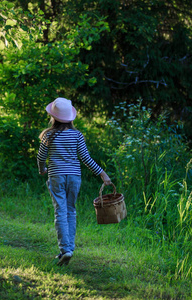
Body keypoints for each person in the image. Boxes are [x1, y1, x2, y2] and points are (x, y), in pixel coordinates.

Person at [37, 97, 112, 266]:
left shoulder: (48, 135)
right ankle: (69, 248)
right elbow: (85, 158)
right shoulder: (77, 135)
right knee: (71, 210)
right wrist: (102, 174)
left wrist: (42, 169)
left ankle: (66, 250)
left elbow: (41, 157)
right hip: (74, 178)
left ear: (53, 117)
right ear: (70, 117)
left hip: (56, 177)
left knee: (60, 212)